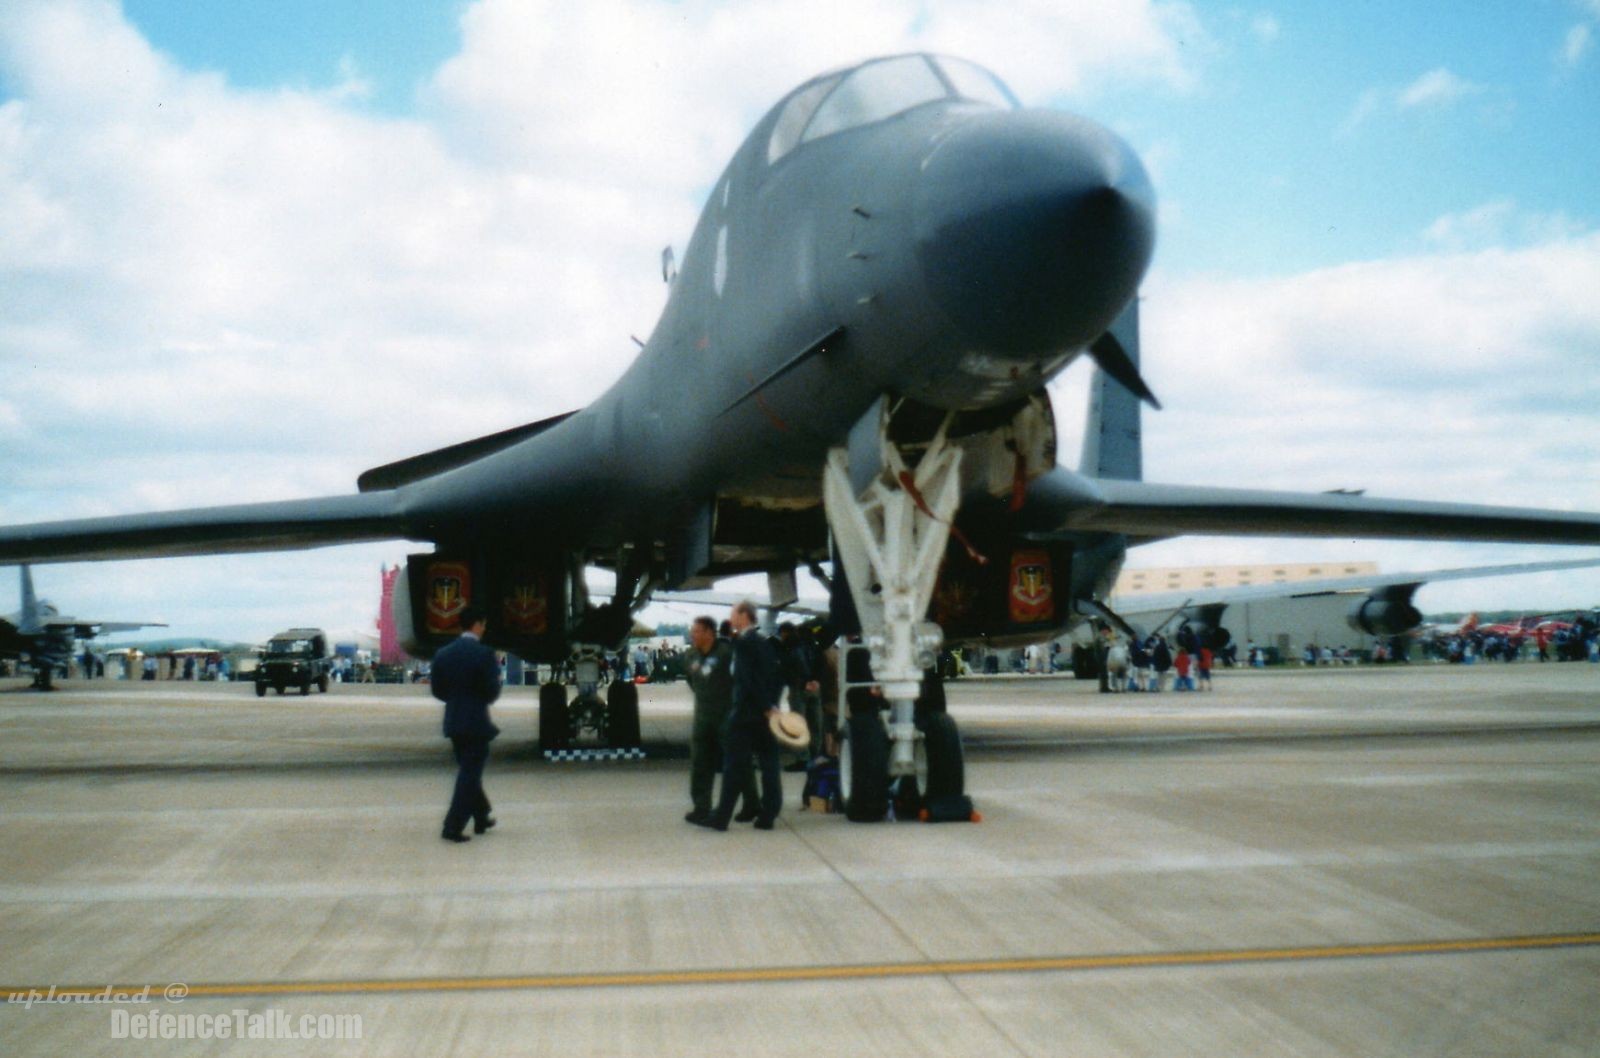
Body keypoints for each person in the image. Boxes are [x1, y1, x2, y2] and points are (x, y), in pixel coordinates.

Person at [694, 601, 784, 832]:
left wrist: (763, 705)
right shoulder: (766, 643)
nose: (731, 617)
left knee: (733, 765)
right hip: (766, 714)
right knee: (769, 764)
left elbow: (746, 680)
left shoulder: (743, 644)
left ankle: (721, 817)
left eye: (733, 613)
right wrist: (772, 706)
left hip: (745, 714)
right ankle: (769, 813)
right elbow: (776, 677)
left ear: (744, 616)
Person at [432, 606, 501, 843]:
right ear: (478, 625)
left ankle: (481, 815)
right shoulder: (484, 654)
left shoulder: (443, 653)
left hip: (453, 721)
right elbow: (492, 691)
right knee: (469, 775)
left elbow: (438, 690)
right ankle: (452, 826)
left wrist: (456, 701)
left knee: (468, 770)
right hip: (476, 722)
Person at [683, 615, 754, 824]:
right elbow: (692, 680)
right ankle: (701, 807)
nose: (692, 635)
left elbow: (741, 680)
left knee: (737, 761)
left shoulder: (727, 654)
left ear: (709, 632)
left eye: (696, 631)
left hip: (726, 716)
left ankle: (752, 802)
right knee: (700, 762)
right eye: (692, 631)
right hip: (702, 717)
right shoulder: (690, 656)